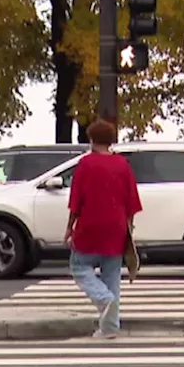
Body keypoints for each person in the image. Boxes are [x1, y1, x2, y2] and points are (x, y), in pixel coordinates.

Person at [65, 119, 142, 339]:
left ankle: (102, 298)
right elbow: (131, 202)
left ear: (91, 139)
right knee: (112, 275)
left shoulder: (86, 164)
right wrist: (128, 227)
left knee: (79, 266)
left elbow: (76, 201)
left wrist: (70, 228)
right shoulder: (122, 165)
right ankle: (110, 328)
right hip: (116, 226)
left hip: (90, 224)